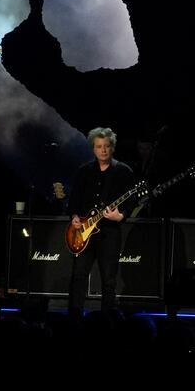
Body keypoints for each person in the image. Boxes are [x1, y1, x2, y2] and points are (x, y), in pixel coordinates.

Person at [67, 127, 135, 315]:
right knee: (78, 276)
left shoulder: (123, 171)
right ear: (93, 148)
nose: (103, 150)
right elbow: (74, 202)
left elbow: (131, 202)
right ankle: (74, 316)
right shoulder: (84, 172)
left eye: (106, 146)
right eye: (99, 146)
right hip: (83, 233)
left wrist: (121, 216)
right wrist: (74, 218)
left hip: (110, 232)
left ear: (112, 147)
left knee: (109, 280)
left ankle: (108, 319)